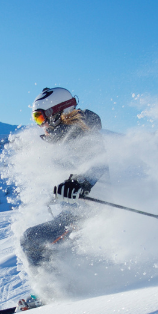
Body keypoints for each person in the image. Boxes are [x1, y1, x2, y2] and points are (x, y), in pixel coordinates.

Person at [20, 87, 108, 268]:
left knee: (32, 239)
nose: (40, 124)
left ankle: (53, 293)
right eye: (36, 119)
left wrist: (80, 183)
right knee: (51, 247)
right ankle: (59, 289)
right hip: (74, 214)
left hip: (91, 215)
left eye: (41, 117)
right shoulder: (65, 138)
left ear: (57, 113)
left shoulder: (84, 134)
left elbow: (99, 164)